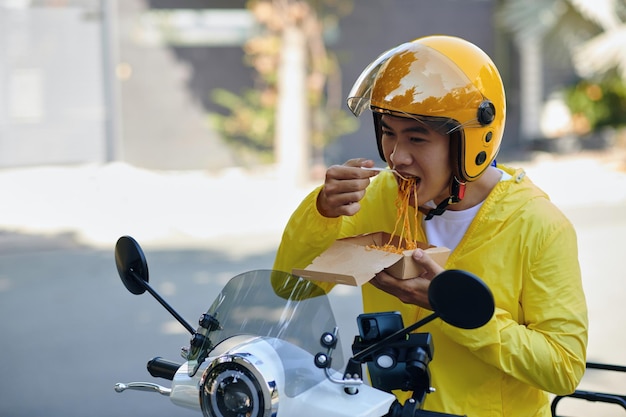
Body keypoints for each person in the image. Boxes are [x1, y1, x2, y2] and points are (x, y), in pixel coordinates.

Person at [273, 35, 588, 416]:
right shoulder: (378, 198)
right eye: (388, 132)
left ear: (472, 144)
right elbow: (293, 286)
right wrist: (321, 211)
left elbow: (563, 368)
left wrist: (452, 308)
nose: (396, 156)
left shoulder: (537, 226)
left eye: (417, 138)